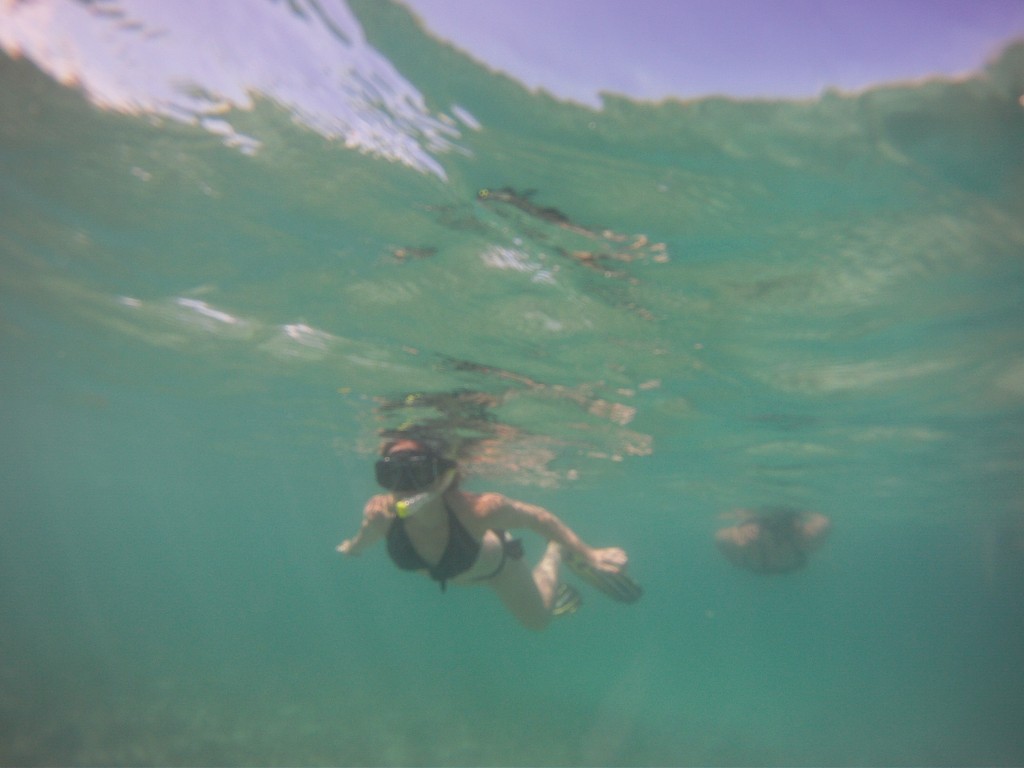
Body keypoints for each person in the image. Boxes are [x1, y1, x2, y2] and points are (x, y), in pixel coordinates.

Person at [337, 435, 642, 630]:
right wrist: (353, 546)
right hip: (461, 572)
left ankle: (555, 554)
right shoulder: (382, 516)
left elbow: (539, 518)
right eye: (391, 473)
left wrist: (589, 553)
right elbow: (368, 533)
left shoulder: (480, 510)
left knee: (537, 623)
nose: (404, 486)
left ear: (441, 476)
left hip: (498, 570)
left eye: (416, 472)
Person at [715, 506, 830, 574]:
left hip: (759, 560)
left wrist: (739, 529)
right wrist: (739, 530)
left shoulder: (804, 539)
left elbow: (720, 537)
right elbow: (823, 521)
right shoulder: (804, 540)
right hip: (771, 559)